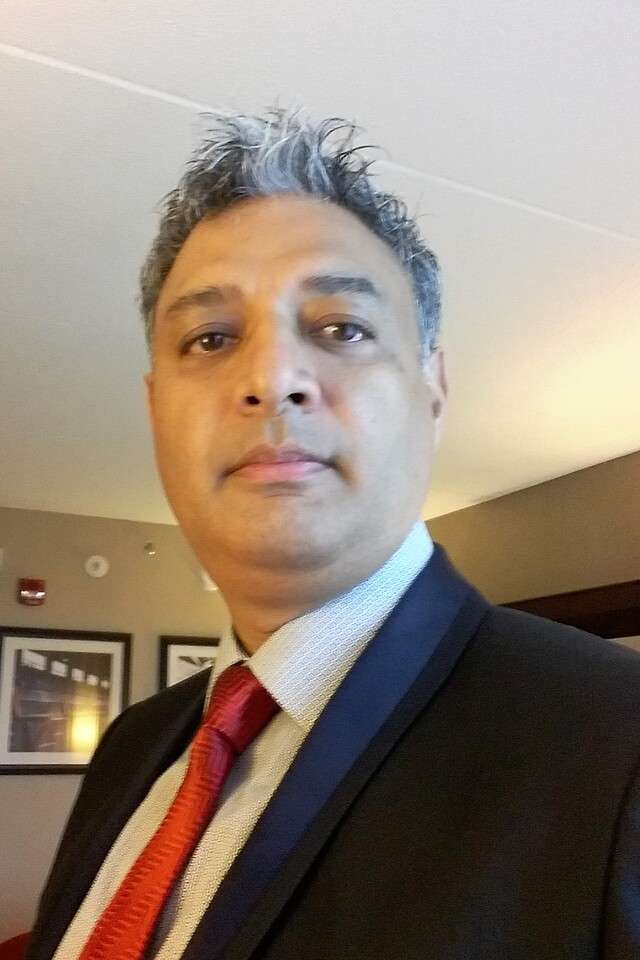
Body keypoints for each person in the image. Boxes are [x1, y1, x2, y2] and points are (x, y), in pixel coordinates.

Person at [25, 110, 640, 960]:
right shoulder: (130, 749)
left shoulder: (619, 746)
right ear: (154, 408)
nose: (273, 377)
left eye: (342, 329)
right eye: (210, 338)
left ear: (433, 388)